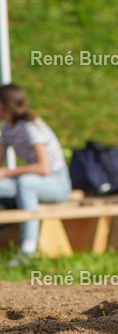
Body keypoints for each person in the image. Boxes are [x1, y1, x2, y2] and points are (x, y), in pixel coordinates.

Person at [0, 84, 72, 267]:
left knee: (26, 182)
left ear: (2, 105)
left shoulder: (30, 126)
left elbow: (43, 168)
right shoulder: (8, 128)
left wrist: (8, 172)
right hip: (32, 182)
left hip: (57, 183)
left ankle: (28, 250)